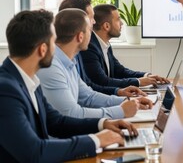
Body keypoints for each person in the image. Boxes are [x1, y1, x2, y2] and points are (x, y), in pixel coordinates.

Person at [0, 10, 137, 162]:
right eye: (54, 41)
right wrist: (95, 140)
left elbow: (57, 122)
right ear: (42, 49)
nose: (57, 48)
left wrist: (103, 124)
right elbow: (34, 151)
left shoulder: (28, 80)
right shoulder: (6, 90)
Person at [37, 9, 153, 119]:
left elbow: (88, 97)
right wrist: (121, 111)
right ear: (80, 37)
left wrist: (128, 101)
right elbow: (72, 113)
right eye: (90, 30)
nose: (92, 35)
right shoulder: (51, 66)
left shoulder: (69, 62)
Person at [58, 0, 145, 97]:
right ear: (77, 20)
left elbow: (87, 91)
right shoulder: (86, 49)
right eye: (91, 18)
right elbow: (98, 85)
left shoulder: (75, 56)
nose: (94, 22)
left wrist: (120, 94)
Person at [80, 4, 169, 88]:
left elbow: (120, 71)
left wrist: (147, 76)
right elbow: (102, 82)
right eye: (118, 19)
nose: (122, 23)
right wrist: (138, 82)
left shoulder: (105, 44)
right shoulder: (89, 47)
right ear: (106, 26)